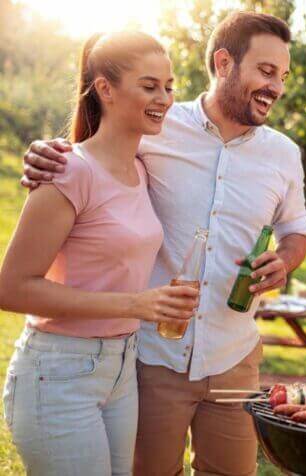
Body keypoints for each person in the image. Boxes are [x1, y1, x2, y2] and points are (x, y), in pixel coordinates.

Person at [19, 12, 306, 476]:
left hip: (234, 355)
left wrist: (287, 259)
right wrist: (44, 152)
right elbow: (93, 155)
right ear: (223, 63)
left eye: (283, 76)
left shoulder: (283, 154)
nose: (276, 87)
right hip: (152, 356)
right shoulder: (156, 123)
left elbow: (296, 229)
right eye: (266, 71)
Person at [0, 32, 199, 475]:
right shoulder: (69, 169)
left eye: (169, 86)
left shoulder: (143, 170)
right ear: (105, 89)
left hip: (120, 370)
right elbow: (11, 288)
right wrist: (136, 304)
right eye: (149, 86)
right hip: (59, 372)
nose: (164, 98)